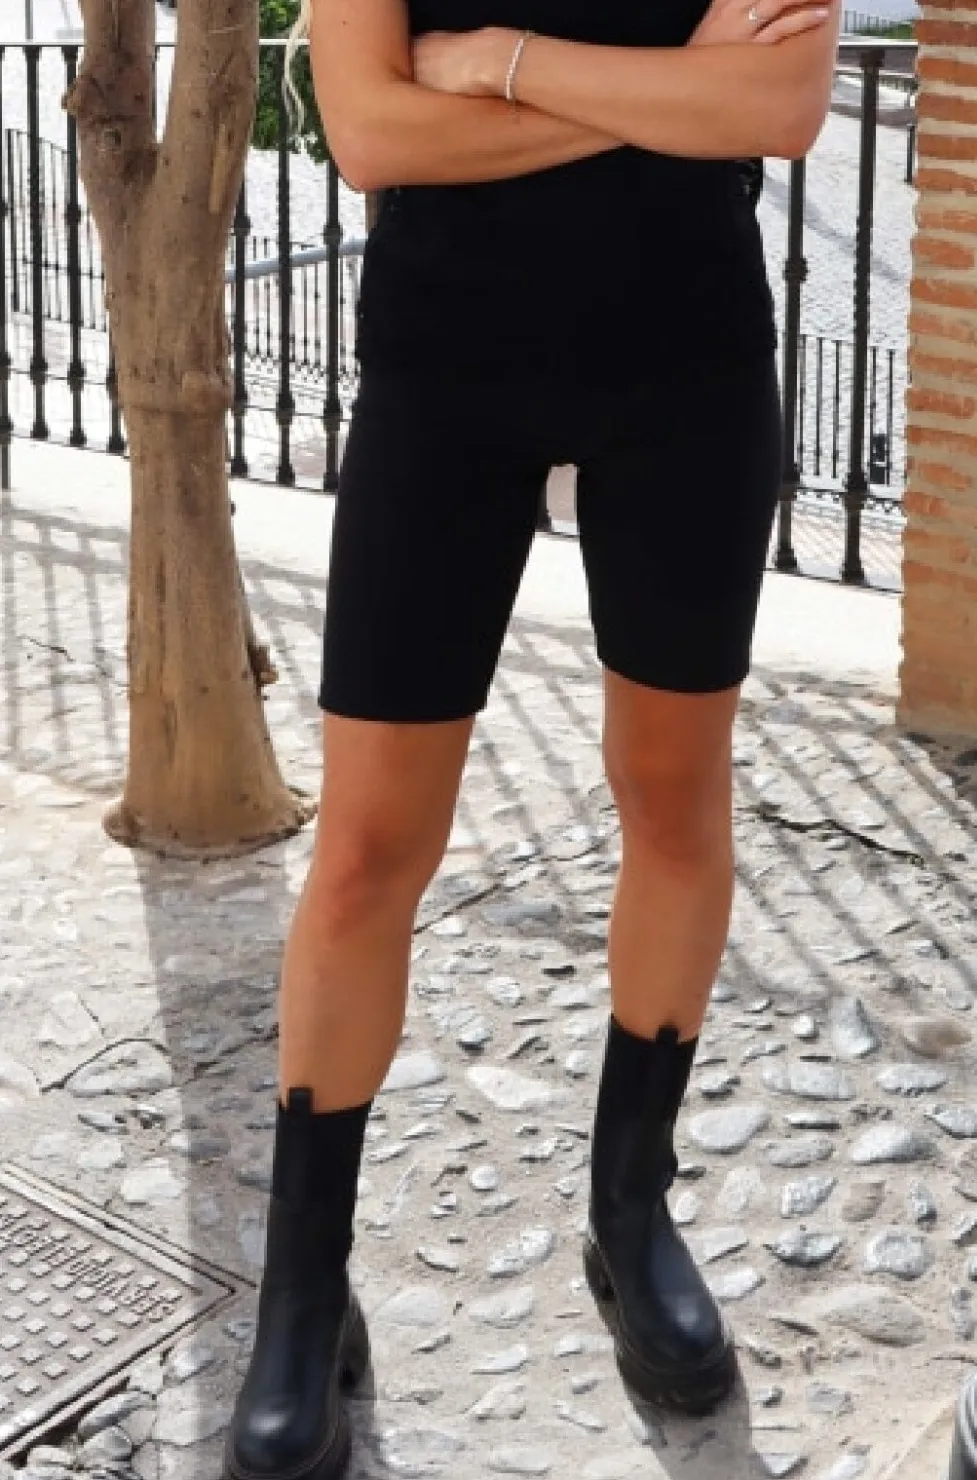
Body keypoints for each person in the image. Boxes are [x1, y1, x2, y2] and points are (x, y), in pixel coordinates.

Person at [223, 1, 840, 1476]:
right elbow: (371, 131)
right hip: (446, 374)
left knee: (675, 804)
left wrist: (503, 69)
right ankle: (304, 1290)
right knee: (367, 851)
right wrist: (673, 94)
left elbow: (782, 107)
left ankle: (631, 1214)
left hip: (689, 371)